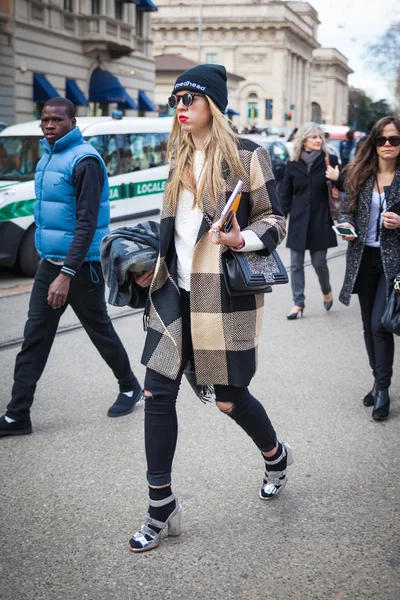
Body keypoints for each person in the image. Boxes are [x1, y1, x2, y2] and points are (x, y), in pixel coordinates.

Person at [128, 64, 292, 553]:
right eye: (176, 99)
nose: (180, 107)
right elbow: (172, 225)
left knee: (228, 398)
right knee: (157, 394)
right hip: (173, 292)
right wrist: (148, 263)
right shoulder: (177, 153)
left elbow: (274, 219)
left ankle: (276, 455)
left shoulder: (246, 155)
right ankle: (162, 506)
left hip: (220, 296)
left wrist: (243, 238)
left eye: (190, 99)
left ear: (212, 106)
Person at [0, 98, 142, 437]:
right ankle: (17, 415)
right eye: (45, 120)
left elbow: (87, 222)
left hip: (81, 267)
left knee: (99, 331)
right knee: (34, 338)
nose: (49, 125)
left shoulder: (86, 161)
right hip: (51, 264)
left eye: (57, 120)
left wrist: (67, 274)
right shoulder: (47, 157)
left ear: (72, 122)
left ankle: (129, 386)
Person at [338, 115, 400, 420]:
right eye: (382, 139)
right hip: (362, 260)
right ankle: (377, 382)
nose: (387, 145)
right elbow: (343, 211)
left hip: (394, 264)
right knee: (366, 326)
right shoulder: (360, 174)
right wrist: (346, 226)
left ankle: (383, 390)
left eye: (394, 139)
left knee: (380, 325)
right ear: (373, 142)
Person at [279, 122, 343, 319]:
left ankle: (326, 289)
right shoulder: (292, 163)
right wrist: (280, 220)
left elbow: (346, 186)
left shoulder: (329, 159)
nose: (318, 140)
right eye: (313, 137)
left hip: (320, 219)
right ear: (304, 139)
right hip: (298, 221)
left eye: (319, 137)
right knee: (296, 264)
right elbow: (285, 195)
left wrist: (337, 177)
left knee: (319, 263)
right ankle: (298, 303)